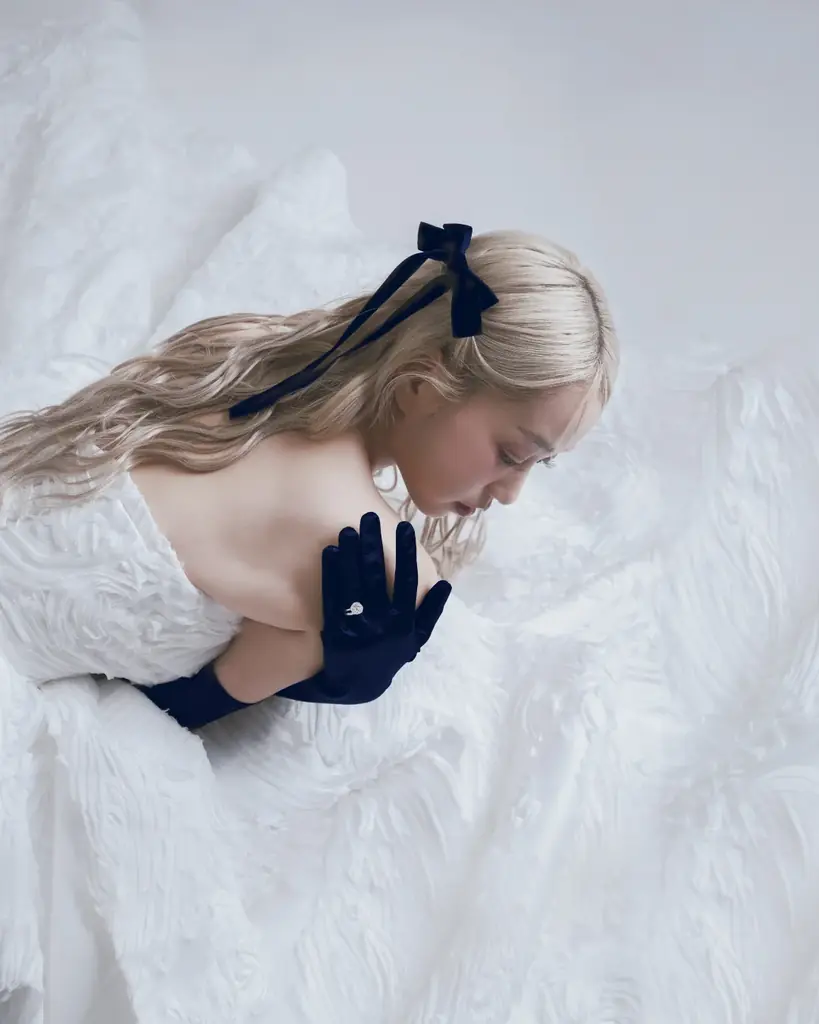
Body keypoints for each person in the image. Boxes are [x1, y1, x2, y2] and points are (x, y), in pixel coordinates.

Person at [0, 222, 618, 729]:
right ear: (422, 384)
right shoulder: (371, 557)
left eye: (540, 464)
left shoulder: (249, 369)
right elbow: (182, 710)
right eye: (512, 453)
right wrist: (340, 674)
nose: (511, 494)